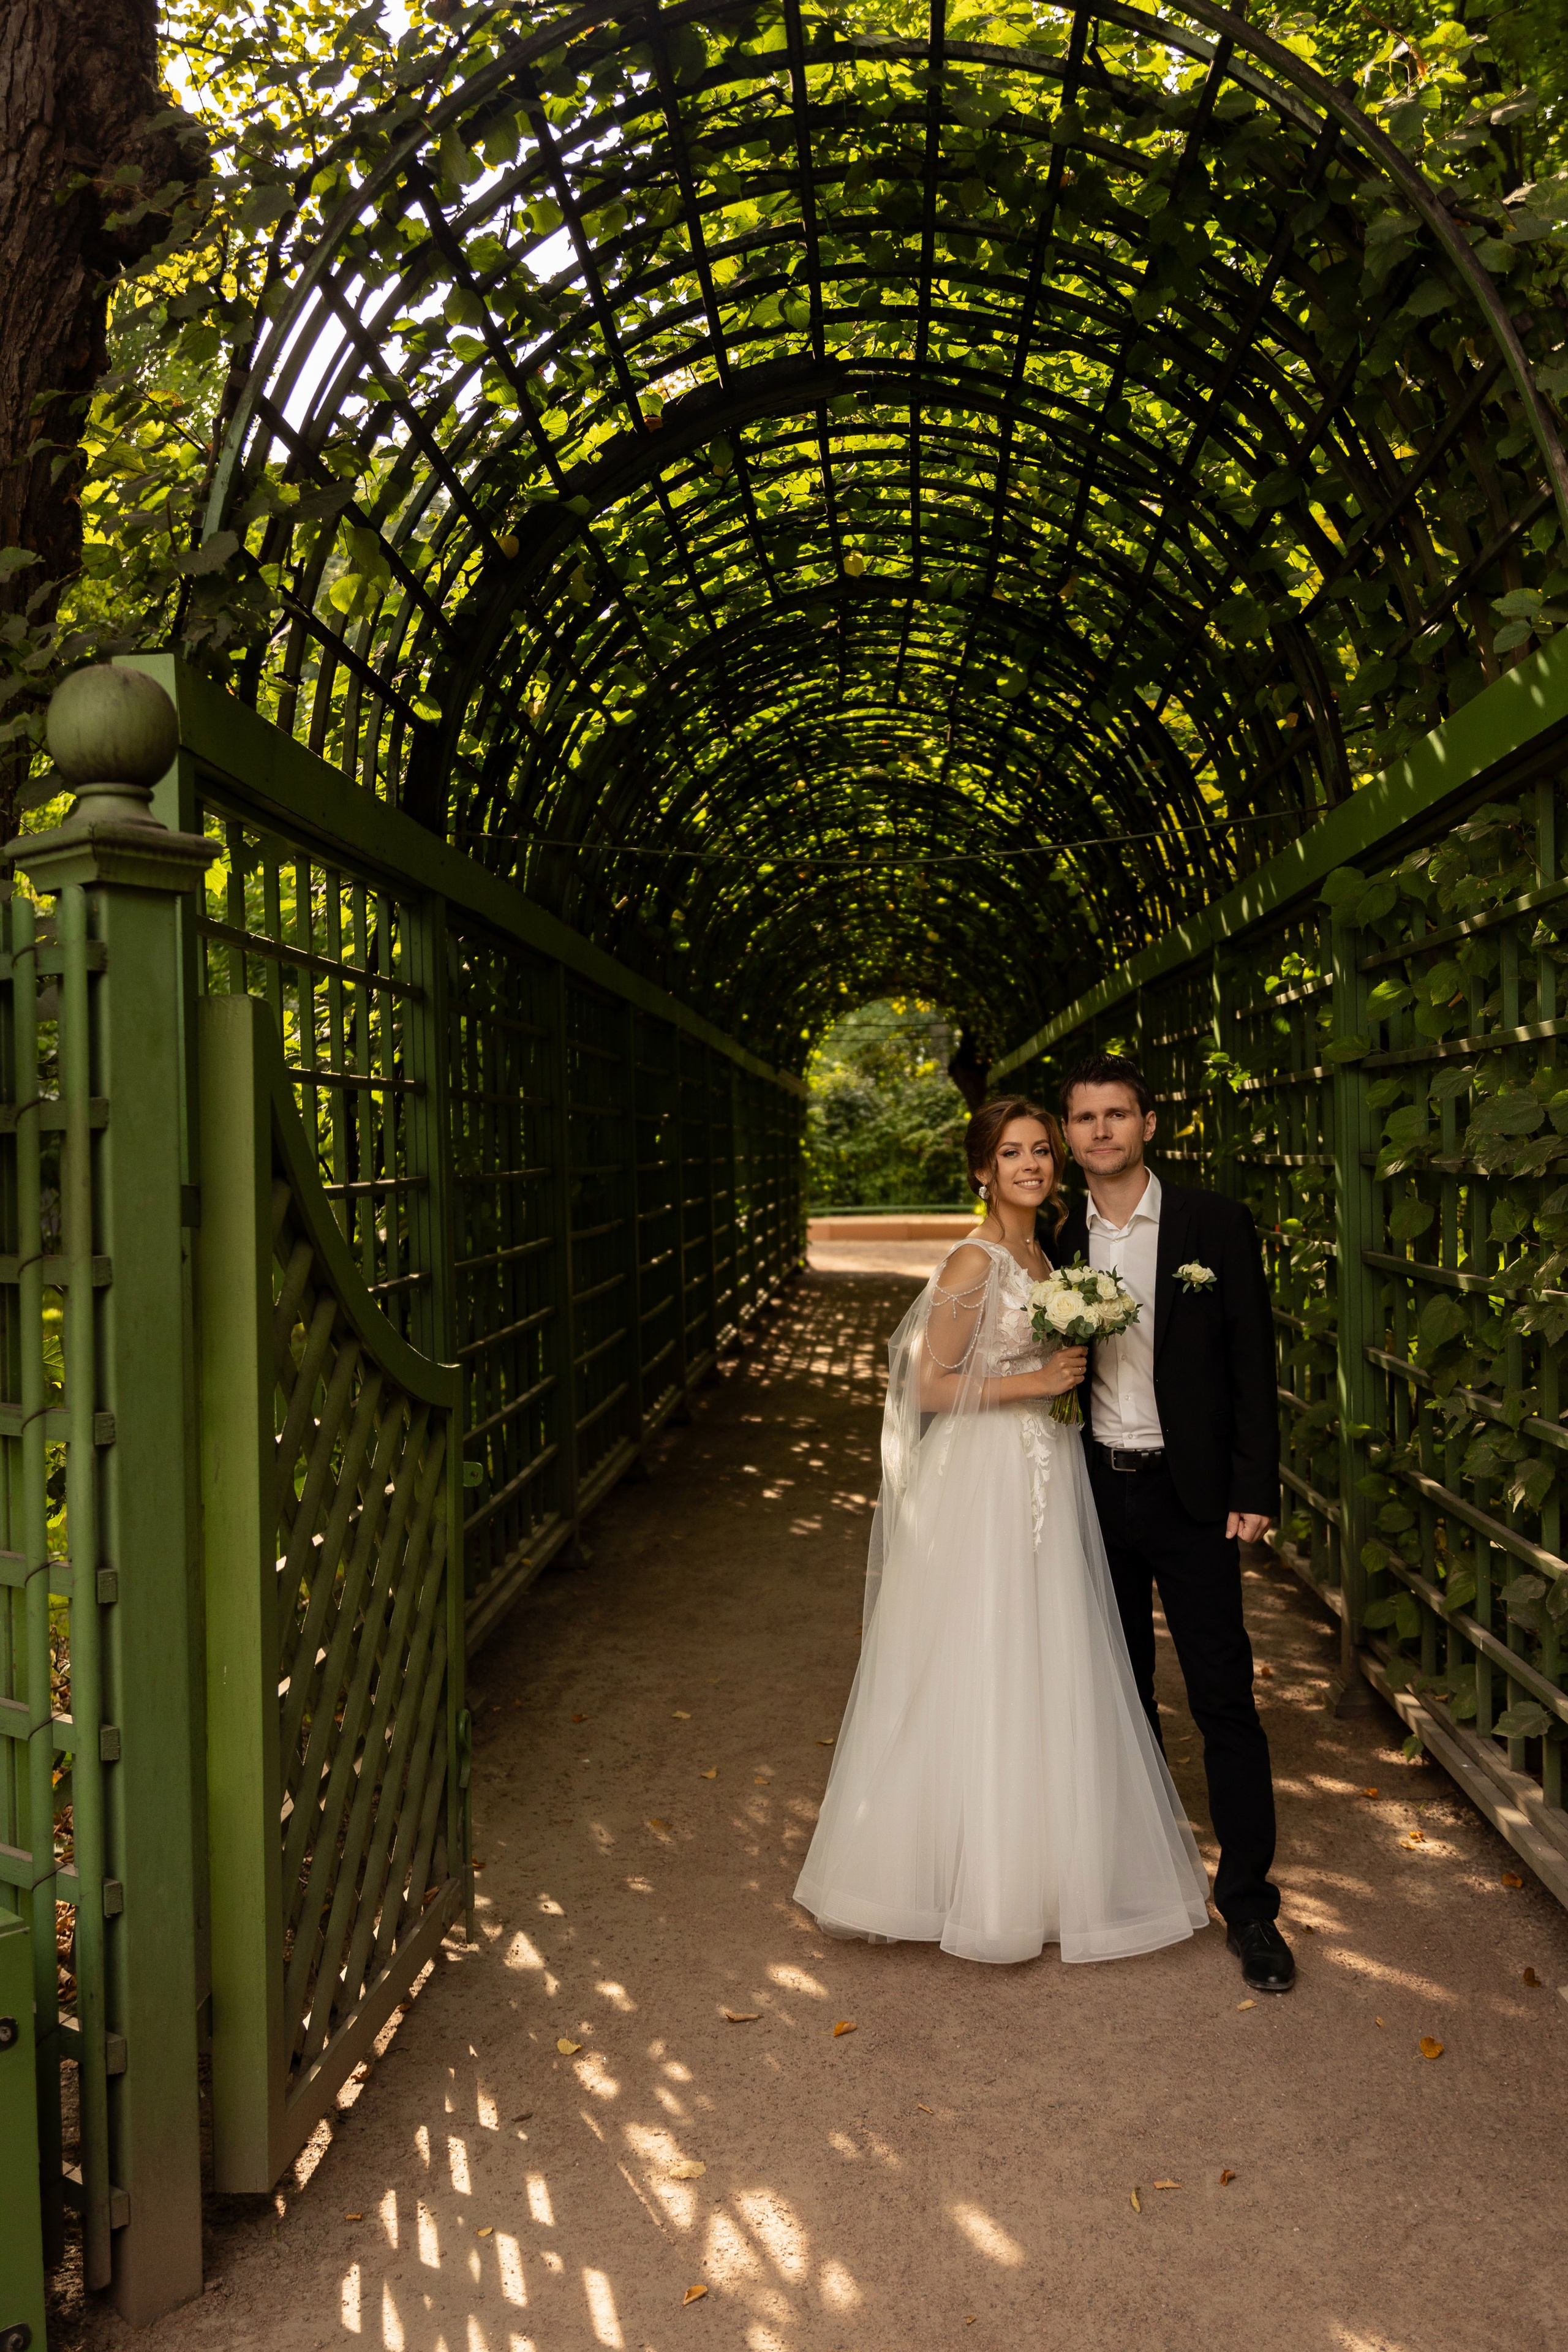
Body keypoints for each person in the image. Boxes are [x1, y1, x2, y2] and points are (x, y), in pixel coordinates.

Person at [793, 1096, 1210, 1966]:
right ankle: (957, 1880)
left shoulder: (1045, 1249)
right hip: (984, 1479)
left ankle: (1050, 1873)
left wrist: (1056, 1383)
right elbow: (932, 1391)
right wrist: (1038, 1382)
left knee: (1048, 1656)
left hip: (1049, 1471)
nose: (1033, 1165)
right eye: (1012, 1154)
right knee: (979, 1656)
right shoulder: (974, 1263)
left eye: (1041, 1152)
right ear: (982, 1169)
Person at [1054, 1052, 1291, 1994]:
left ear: (1149, 1124)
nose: (1101, 1131)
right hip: (1092, 1495)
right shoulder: (1055, 1239)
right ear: (1068, 1134)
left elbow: (1250, 1360)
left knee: (1223, 1694)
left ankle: (1251, 1908)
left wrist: (1256, 1487)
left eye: (1118, 1114)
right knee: (1117, 1696)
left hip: (1191, 1497)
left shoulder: (1212, 1224)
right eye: (1085, 1117)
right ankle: (1138, 1884)